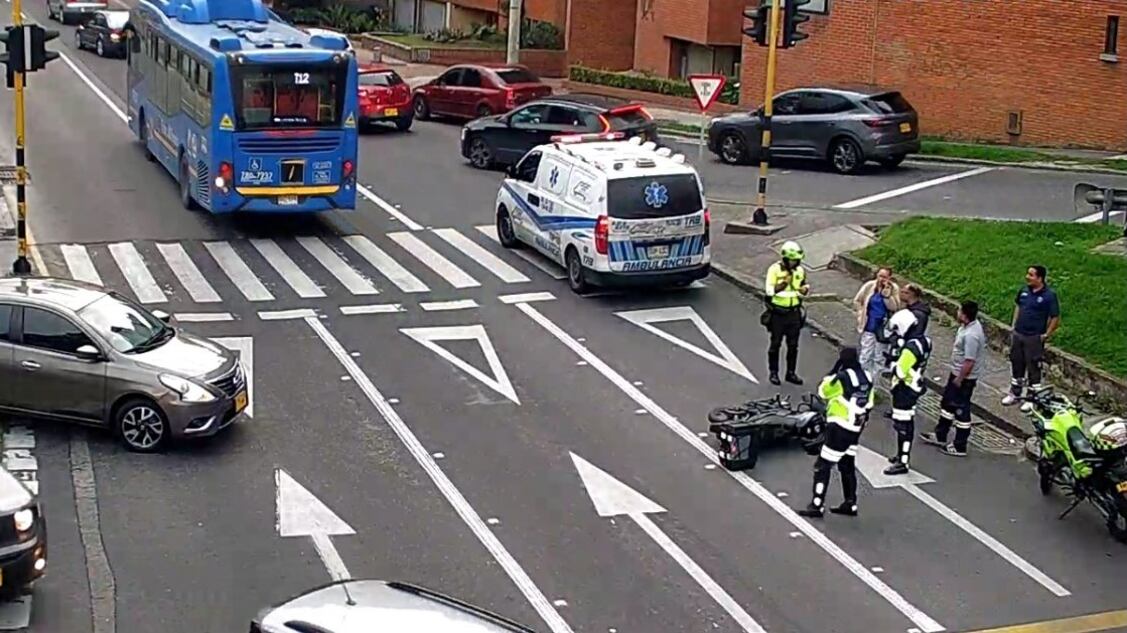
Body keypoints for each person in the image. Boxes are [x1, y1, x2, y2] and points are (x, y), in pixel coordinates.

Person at [798, 347, 874, 519]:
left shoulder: (841, 378)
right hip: (855, 429)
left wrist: (833, 372)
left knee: (822, 466)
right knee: (847, 465)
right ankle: (850, 503)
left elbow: (823, 392)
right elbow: (869, 403)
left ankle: (817, 505)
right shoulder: (867, 377)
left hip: (839, 427)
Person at [920, 301, 986, 457]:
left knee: (961, 409)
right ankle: (940, 434)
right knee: (948, 404)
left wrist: (960, 379)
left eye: (959, 311)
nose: (957, 313)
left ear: (964, 315)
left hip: (963, 378)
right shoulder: (966, 327)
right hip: (956, 373)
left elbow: (969, 361)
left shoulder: (972, 335)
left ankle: (960, 445)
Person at [1002, 265, 1060, 406]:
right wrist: (1014, 325)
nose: (1027, 277)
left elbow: (1055, 317)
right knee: (1017, 364)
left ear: (1040, 278)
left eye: (1031, 275)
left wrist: (1046, 334)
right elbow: (1018, 306)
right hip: (1019, 334)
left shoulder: (1049, 296)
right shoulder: (1024, 291)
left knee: (1033, 367)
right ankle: (1015, 393)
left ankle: (1032, 398)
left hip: (1034, 337)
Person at [883, 309, 932, 475]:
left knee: (902, 426)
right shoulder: (924, 341)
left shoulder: (910, 348)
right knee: (906, 423)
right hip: (914, 387)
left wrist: (893, 362)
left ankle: (903, 462)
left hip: (904, 389)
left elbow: (901, 371)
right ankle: (901, 456)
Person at [763, 240, 810, 386]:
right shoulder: (774, 270)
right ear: (785, 258)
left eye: (797, 260)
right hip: (778, 313)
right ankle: (774, 373)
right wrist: (784, 282)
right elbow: (769, 291)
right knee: (775, 344)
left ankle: (791, 373)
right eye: (792, 260)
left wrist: (804, 290)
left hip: (794, 313)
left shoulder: (800, 270)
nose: (795, 263)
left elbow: (802, 286)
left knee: (793, 345)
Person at [852, 267, 900, 381]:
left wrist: (887, 296)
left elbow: (895, 308)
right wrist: (860, 314)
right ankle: (863, 379)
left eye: (884, 277)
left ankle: (875, 382)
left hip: (883, 328)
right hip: (869, 325)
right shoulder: (870, 286)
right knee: (865, 354)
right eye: (880, 276)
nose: (881, 279)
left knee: (879, 357)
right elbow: (857, 300)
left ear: (889, 278)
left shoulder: (893, 288)